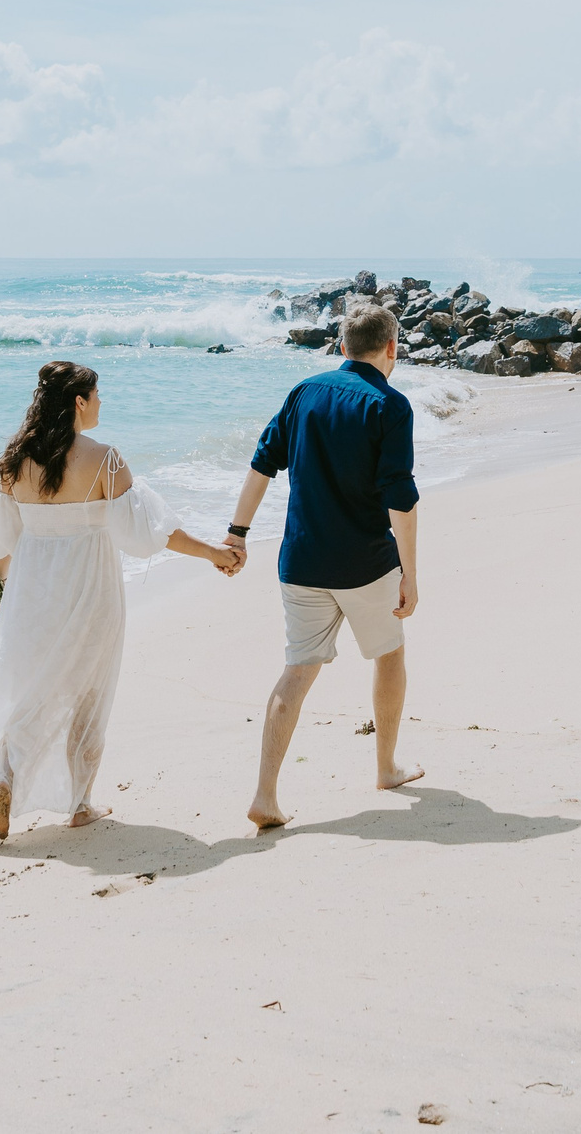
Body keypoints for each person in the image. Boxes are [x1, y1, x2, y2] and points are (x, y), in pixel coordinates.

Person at [0, 360, 238, 838]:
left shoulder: (13, 461)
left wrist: (5, 598)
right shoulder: (104, 459)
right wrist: (214, 553)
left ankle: (5, 777)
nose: (103, 402)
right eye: (98, 394)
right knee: (89, 694)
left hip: (32, 591)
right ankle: (81, 803)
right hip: (89, 587)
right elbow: (153, 531)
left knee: (31, 691)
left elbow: (2, 545)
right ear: (78, 402)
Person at [223, 303, 423, 830]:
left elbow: (262, 462)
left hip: (302, 560)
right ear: (391, 348)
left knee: (297, 670)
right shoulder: (391, 405)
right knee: (388, 653)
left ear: (340, 346)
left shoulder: (303, 393)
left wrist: (236, 534)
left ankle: (265, 794)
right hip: (366, 563)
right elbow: (400, 498)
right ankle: (386, 767)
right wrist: (411, 571)